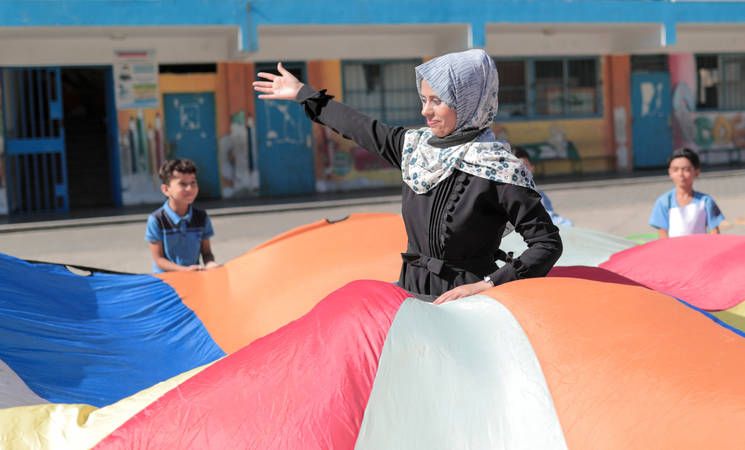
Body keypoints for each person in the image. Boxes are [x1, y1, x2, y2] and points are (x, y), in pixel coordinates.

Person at [253, 49, 562, 304]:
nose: (425, 112)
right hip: (410, 293)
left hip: (468, 305)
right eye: (423, 99)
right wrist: (303, 94)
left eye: (437, 101)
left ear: (468, 102)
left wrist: (489, 285)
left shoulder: (500, 168)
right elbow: (361, 127)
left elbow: (547, 244)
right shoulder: (415, 148)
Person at [145, 159, 220, 272]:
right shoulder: (156, 220)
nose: (190, 188)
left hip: (194, 278)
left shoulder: (202, 217)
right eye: (183, 184)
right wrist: (184, 270)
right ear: (166, 189)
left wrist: (210, 263)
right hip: (166, 282)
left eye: (193, 182)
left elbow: (207, 253)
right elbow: (159, 259)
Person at [649, 147, 724, 238]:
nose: (680, 174)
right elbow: (662, 235)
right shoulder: (664, 202)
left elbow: (715, 233)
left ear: (696, 172)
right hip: (673, 251)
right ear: (670, 172)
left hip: (701, 250)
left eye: (686, 169)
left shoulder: (706, 201)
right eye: (675, 169)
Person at [512, 146, 573, 227]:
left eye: (525, 166)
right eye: (517, 168)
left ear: (532, 168)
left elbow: (550, 216)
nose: (522, 172)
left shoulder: (540, 195)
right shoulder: (507, 196)